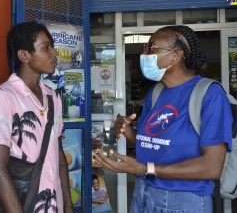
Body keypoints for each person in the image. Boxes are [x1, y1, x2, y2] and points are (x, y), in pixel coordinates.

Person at [92, 25, 233, 213]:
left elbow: (212, 167)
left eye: (151, 48)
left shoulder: (210, 95)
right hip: (143, 193)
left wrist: (143, 168)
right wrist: (127, 130)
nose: (144, 54)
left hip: (183, 201)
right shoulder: (156, 92)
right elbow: (151, 143)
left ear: (175, 56)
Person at [0, 20, 73, 213]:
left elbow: (58, 154)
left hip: (51, 204)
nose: (54, 53)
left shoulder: (53, 97)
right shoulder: (3, 98)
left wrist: (67, 205)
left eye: (53, 47)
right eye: (46, 47)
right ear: (24, 55)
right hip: (21, 204)